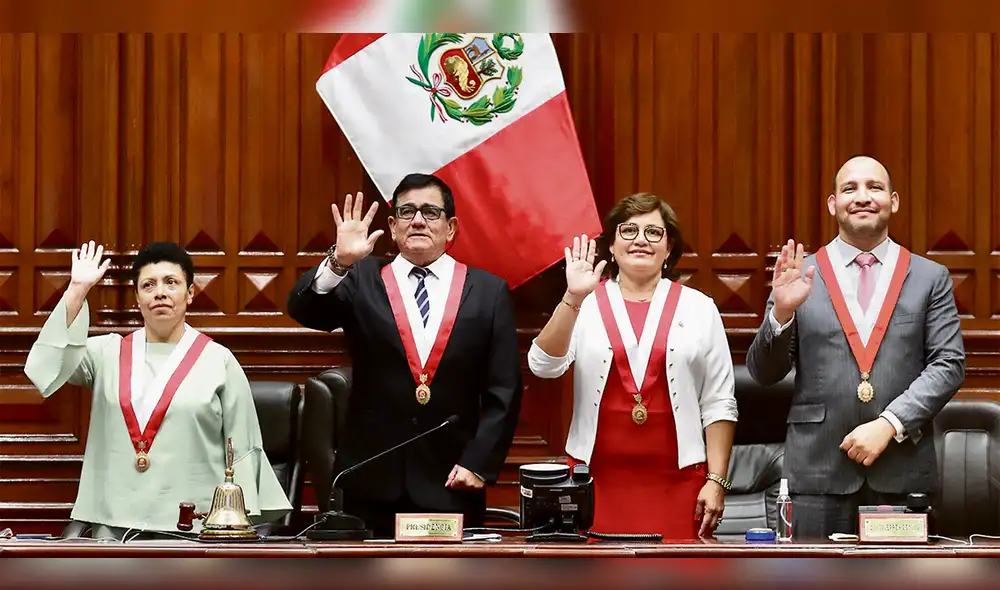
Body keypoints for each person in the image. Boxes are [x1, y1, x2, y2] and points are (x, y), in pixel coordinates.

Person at [286, 173, 522, 537]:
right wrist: (338, 262)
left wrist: (479, 463)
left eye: (430, 212)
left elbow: (503, 390)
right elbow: (306, 312)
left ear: (450, 227)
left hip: (452, 478)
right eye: (407, 211)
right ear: (393, 226)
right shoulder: (360, 276)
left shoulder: (488, 292)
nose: (418, 220)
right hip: (371, 479)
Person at [746, 155, 965, 540]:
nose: (862, 197)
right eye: (850, 189)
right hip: (816, 474)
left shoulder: (930, 277)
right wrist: (781, 312)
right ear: (833, 204)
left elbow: (948, 364)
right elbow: (765, 373)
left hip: (902, 471)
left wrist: (889, 424)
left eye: (874, 188)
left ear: (893, 201)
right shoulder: (801, 275)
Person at [24, 241, 292, 540]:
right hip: (114, 527)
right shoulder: (106, 353)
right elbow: (45, 369)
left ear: (190, 293)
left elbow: (241, 446)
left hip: (195, 528)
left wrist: (234, 524)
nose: (160, 292)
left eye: (171, 282)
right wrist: (77, 289)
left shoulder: (219, 361)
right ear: (137, 298)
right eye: (148, 285)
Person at [526, 193, 738, 539]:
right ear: (611, 245)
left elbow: (719, 402)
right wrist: (573, 297)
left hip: (679, 479)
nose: (641, 239)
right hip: (595, 480)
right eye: (629, 230)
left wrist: (716, 480)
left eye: (654, 232)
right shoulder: (586, 303)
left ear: (669, 248)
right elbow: (542, 366)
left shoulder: (700, 308)